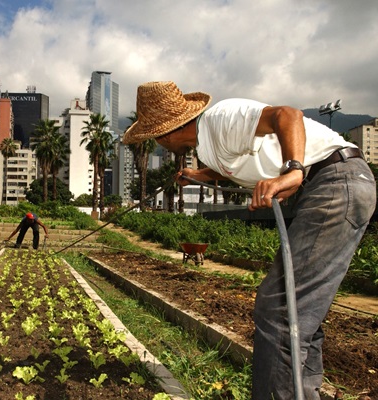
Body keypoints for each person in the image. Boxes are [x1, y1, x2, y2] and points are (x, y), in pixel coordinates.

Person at [122, 81, 376, 399]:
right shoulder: (208, 144)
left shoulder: (220, 118)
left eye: (154, 138)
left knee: (280, 307)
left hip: (334, 181)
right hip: (330, 184)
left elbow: (288, 115)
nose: (157, 145)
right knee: (298, 308)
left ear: (165, 133)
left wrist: (293, 170)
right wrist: (197, 176)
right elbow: (231, 165)